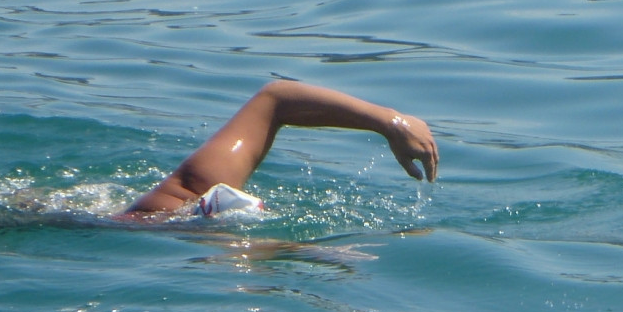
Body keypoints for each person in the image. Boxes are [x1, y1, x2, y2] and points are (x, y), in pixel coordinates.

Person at [123, 80, 438, 216]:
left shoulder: (185, 192)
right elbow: (275, 99)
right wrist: (390, 121)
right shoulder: (184, 192)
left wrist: (390, 123)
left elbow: (275, 100)